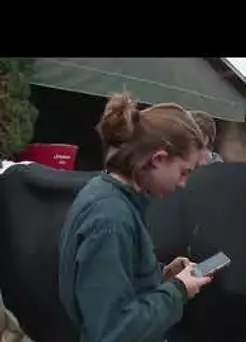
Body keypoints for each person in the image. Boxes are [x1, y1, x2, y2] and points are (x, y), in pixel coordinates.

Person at [58, 92, 213, 342]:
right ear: (158, 159)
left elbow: (115, 285)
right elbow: (113, 332)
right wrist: (178, 290)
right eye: (184, 172)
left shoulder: (108, 196)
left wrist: (160, 276)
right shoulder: (110, 219)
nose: (184, 184)